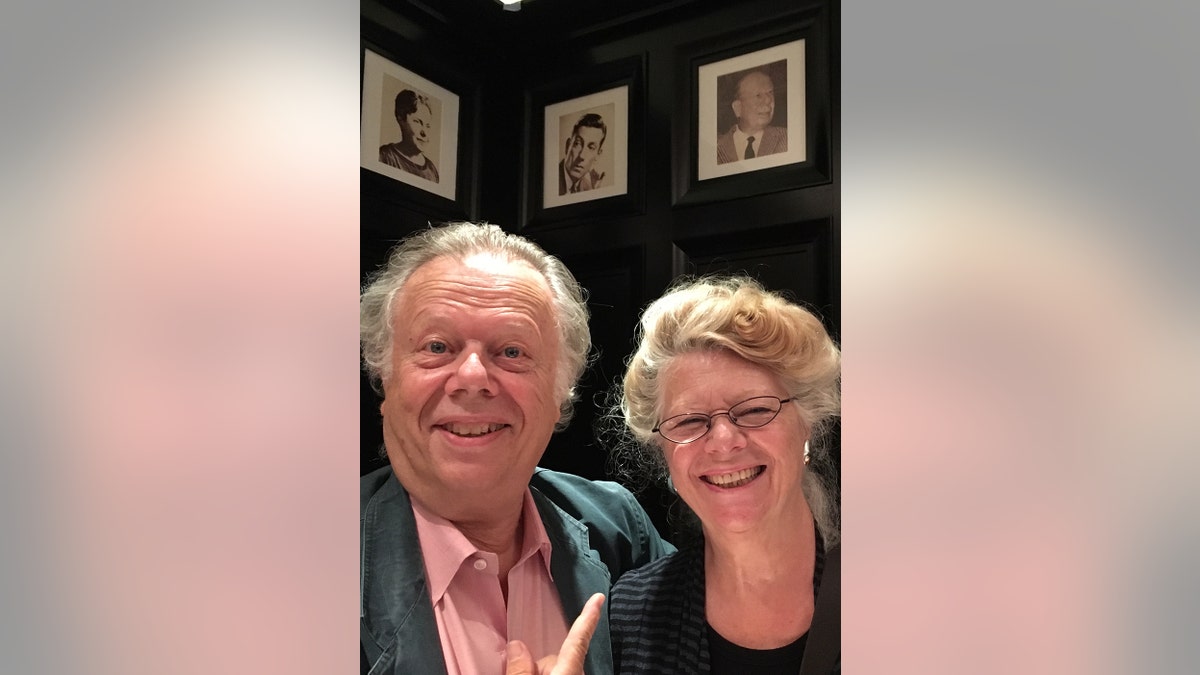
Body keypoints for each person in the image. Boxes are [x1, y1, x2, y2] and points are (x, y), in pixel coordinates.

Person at [359, 222, 674, 675]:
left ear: (560, 391)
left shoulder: (618, 531)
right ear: (385, 377)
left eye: (511, 352)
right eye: (437, 346)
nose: (471, 377)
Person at [608, 276, 841, 674]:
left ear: (808, 424)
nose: (722, 441)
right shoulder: (628, 616)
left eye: (754, 410)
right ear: (665, 454)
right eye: (688, 421)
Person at [716, 69, 788, 164]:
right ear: (738, 108)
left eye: (770, 93)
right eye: (758, 95)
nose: (768, 100)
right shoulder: (716, 147)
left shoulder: (787, 138)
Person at [380, 89, 440, 182]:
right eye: (417, 122)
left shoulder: (432, 170)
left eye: (427, 125)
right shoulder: (386, 156)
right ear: (400, 119)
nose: (424, 133)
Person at [559, 113, 606, 195]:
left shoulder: (589, 189)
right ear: (568, 146)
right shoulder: (550, 181)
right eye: (577, 143)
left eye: (591, 147)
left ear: (598, 155)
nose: (581, 156)